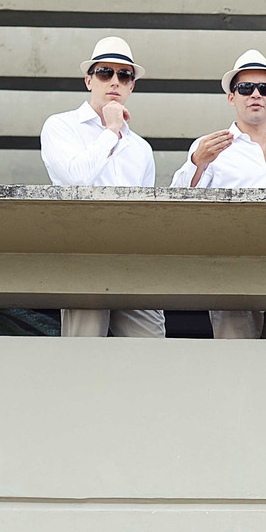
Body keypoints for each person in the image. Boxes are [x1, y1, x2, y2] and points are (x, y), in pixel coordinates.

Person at [171, 49, 266, 339]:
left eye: (265, 88)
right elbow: (178, 201)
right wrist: (198, 162)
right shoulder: (211, 145)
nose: (255, 94)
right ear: (231, 97)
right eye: (245, 88)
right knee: (235, 360)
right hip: (232, 267)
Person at [40, 36, 166, 338]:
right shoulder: (61, 126)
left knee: (150, 351)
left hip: (132, 260)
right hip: (84, 253)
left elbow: (144, 212)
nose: (115, 81)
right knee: (84, 351)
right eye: (105, 72)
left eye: (124, 75)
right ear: (89, 80)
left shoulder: (140, 149)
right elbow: (77, 179)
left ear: (131, 85)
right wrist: (111, 130)